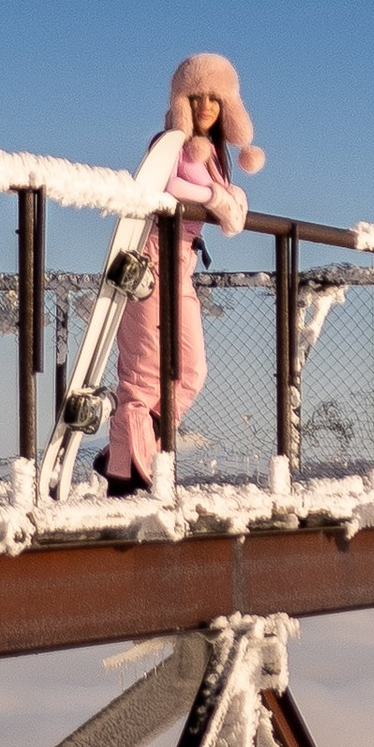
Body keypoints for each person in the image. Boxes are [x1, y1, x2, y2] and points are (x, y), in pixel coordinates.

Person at [103, 52, 263, 496]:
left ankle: (130, 452)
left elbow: (217, 204)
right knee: (143, 370)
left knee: (190, 370)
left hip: (184, 263)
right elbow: (163, 185)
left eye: (216, 98)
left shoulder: (214, 154)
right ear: (182, 100)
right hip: (152, 257)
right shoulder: (169, 141)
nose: (206, 105)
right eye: (197, 96)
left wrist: (230, 198)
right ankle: (124, 477)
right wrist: (214, 196)